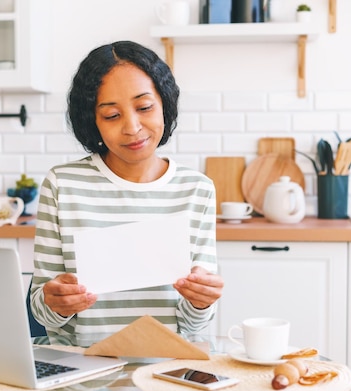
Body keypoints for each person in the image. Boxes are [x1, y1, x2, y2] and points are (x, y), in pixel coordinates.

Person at [29, 40, 223, 340]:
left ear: (164, 104)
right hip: (82, 374)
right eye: (111, 115)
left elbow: (194, 326)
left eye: (144, 107)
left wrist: (200, 301)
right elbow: (44, 315)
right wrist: (56, 303)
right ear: (92, 121)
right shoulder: (62, 186)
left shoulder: (196, 190)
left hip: (167, 372)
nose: (132, 127)